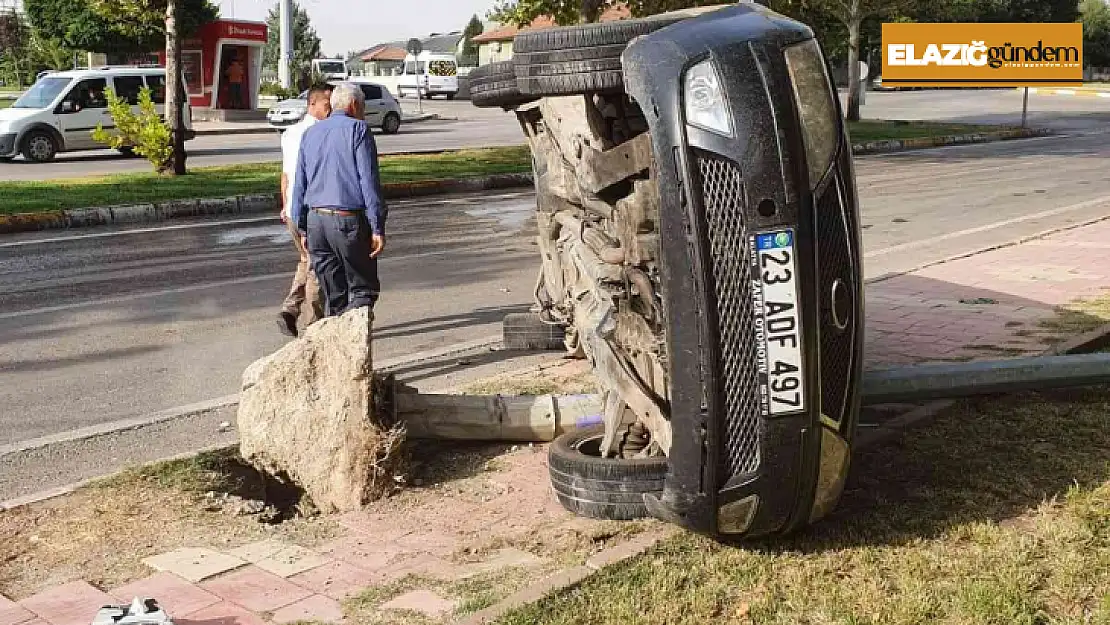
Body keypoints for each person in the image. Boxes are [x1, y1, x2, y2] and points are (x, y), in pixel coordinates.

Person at [289, 82, 387, 317]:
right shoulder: (358, 129)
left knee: (334, 295)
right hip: (347, 222)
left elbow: (299, 184)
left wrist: (302, 229)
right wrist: (377, 227)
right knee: (363, 290)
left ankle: (337, 344)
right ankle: (356, 348)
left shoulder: (310, 133)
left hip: (316, 223)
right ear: (354, 104)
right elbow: (368, 181)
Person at [276, 83, 332, 337]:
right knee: (317, 267)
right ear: (313, 103)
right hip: (310, 209)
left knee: (307, 261)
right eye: (326, 104)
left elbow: (286, 173)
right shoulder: (320, 132)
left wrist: (284, 204)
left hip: (292, 209)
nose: (330, 109)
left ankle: (290, 310)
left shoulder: (289, 133)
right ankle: (314, 326)